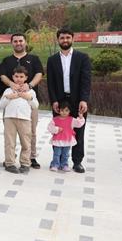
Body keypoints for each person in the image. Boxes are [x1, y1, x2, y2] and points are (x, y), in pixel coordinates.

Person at [46, 28, 92, 173]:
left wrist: (84, 99)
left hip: (77, 101)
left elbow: (86, 81)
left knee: (79, 131)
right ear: (58, 40)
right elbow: (50, 83)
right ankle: (58, 161)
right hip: (60, 102)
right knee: (58, 131)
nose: (65, 40)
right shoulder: (52, 60)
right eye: (62, 38)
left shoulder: (82, 58)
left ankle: (77, 162)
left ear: (72, 39)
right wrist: (54, 100)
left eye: (67, 37)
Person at [0, 33, 44, 169]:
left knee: (31, 132)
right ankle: (10, 159)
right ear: (12, 43)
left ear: (25, 42)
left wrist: (29, 86)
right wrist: (11, 84)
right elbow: (2, 75)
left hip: (28, 102)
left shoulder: (34, 59)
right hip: (11, 105)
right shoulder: (7, 60)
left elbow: (39, 74)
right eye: (15, 41)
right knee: (10, 136)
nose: (18, 43)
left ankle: (31, 158)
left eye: (20, 41)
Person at [0, 66, 39, 174]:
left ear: (26, 78)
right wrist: (9, 97)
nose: (19, 79)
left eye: (21, 77)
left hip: (25, 119)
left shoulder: (31, 92)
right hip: (9, 118)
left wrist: (28, 97)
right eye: (16, 76)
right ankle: (9, 163)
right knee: (10, 142)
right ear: (13, 77)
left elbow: (35, 105)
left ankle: (25, 163)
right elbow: (1, 105)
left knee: (26, 142)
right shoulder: (8, 90)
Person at [47, 101, 86, 172]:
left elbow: (79, 124)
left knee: (65, 154)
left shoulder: (71, 120)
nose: (64, 112)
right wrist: (57, 129)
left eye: (66, 110)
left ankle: (64, 165)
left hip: (67, 140)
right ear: (59, 110)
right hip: (58, 140)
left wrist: (81, 117)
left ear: (69, 111)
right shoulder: (55, 119)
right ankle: (55, 165)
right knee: (57, 153)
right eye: (62, 110)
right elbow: (49, 127)